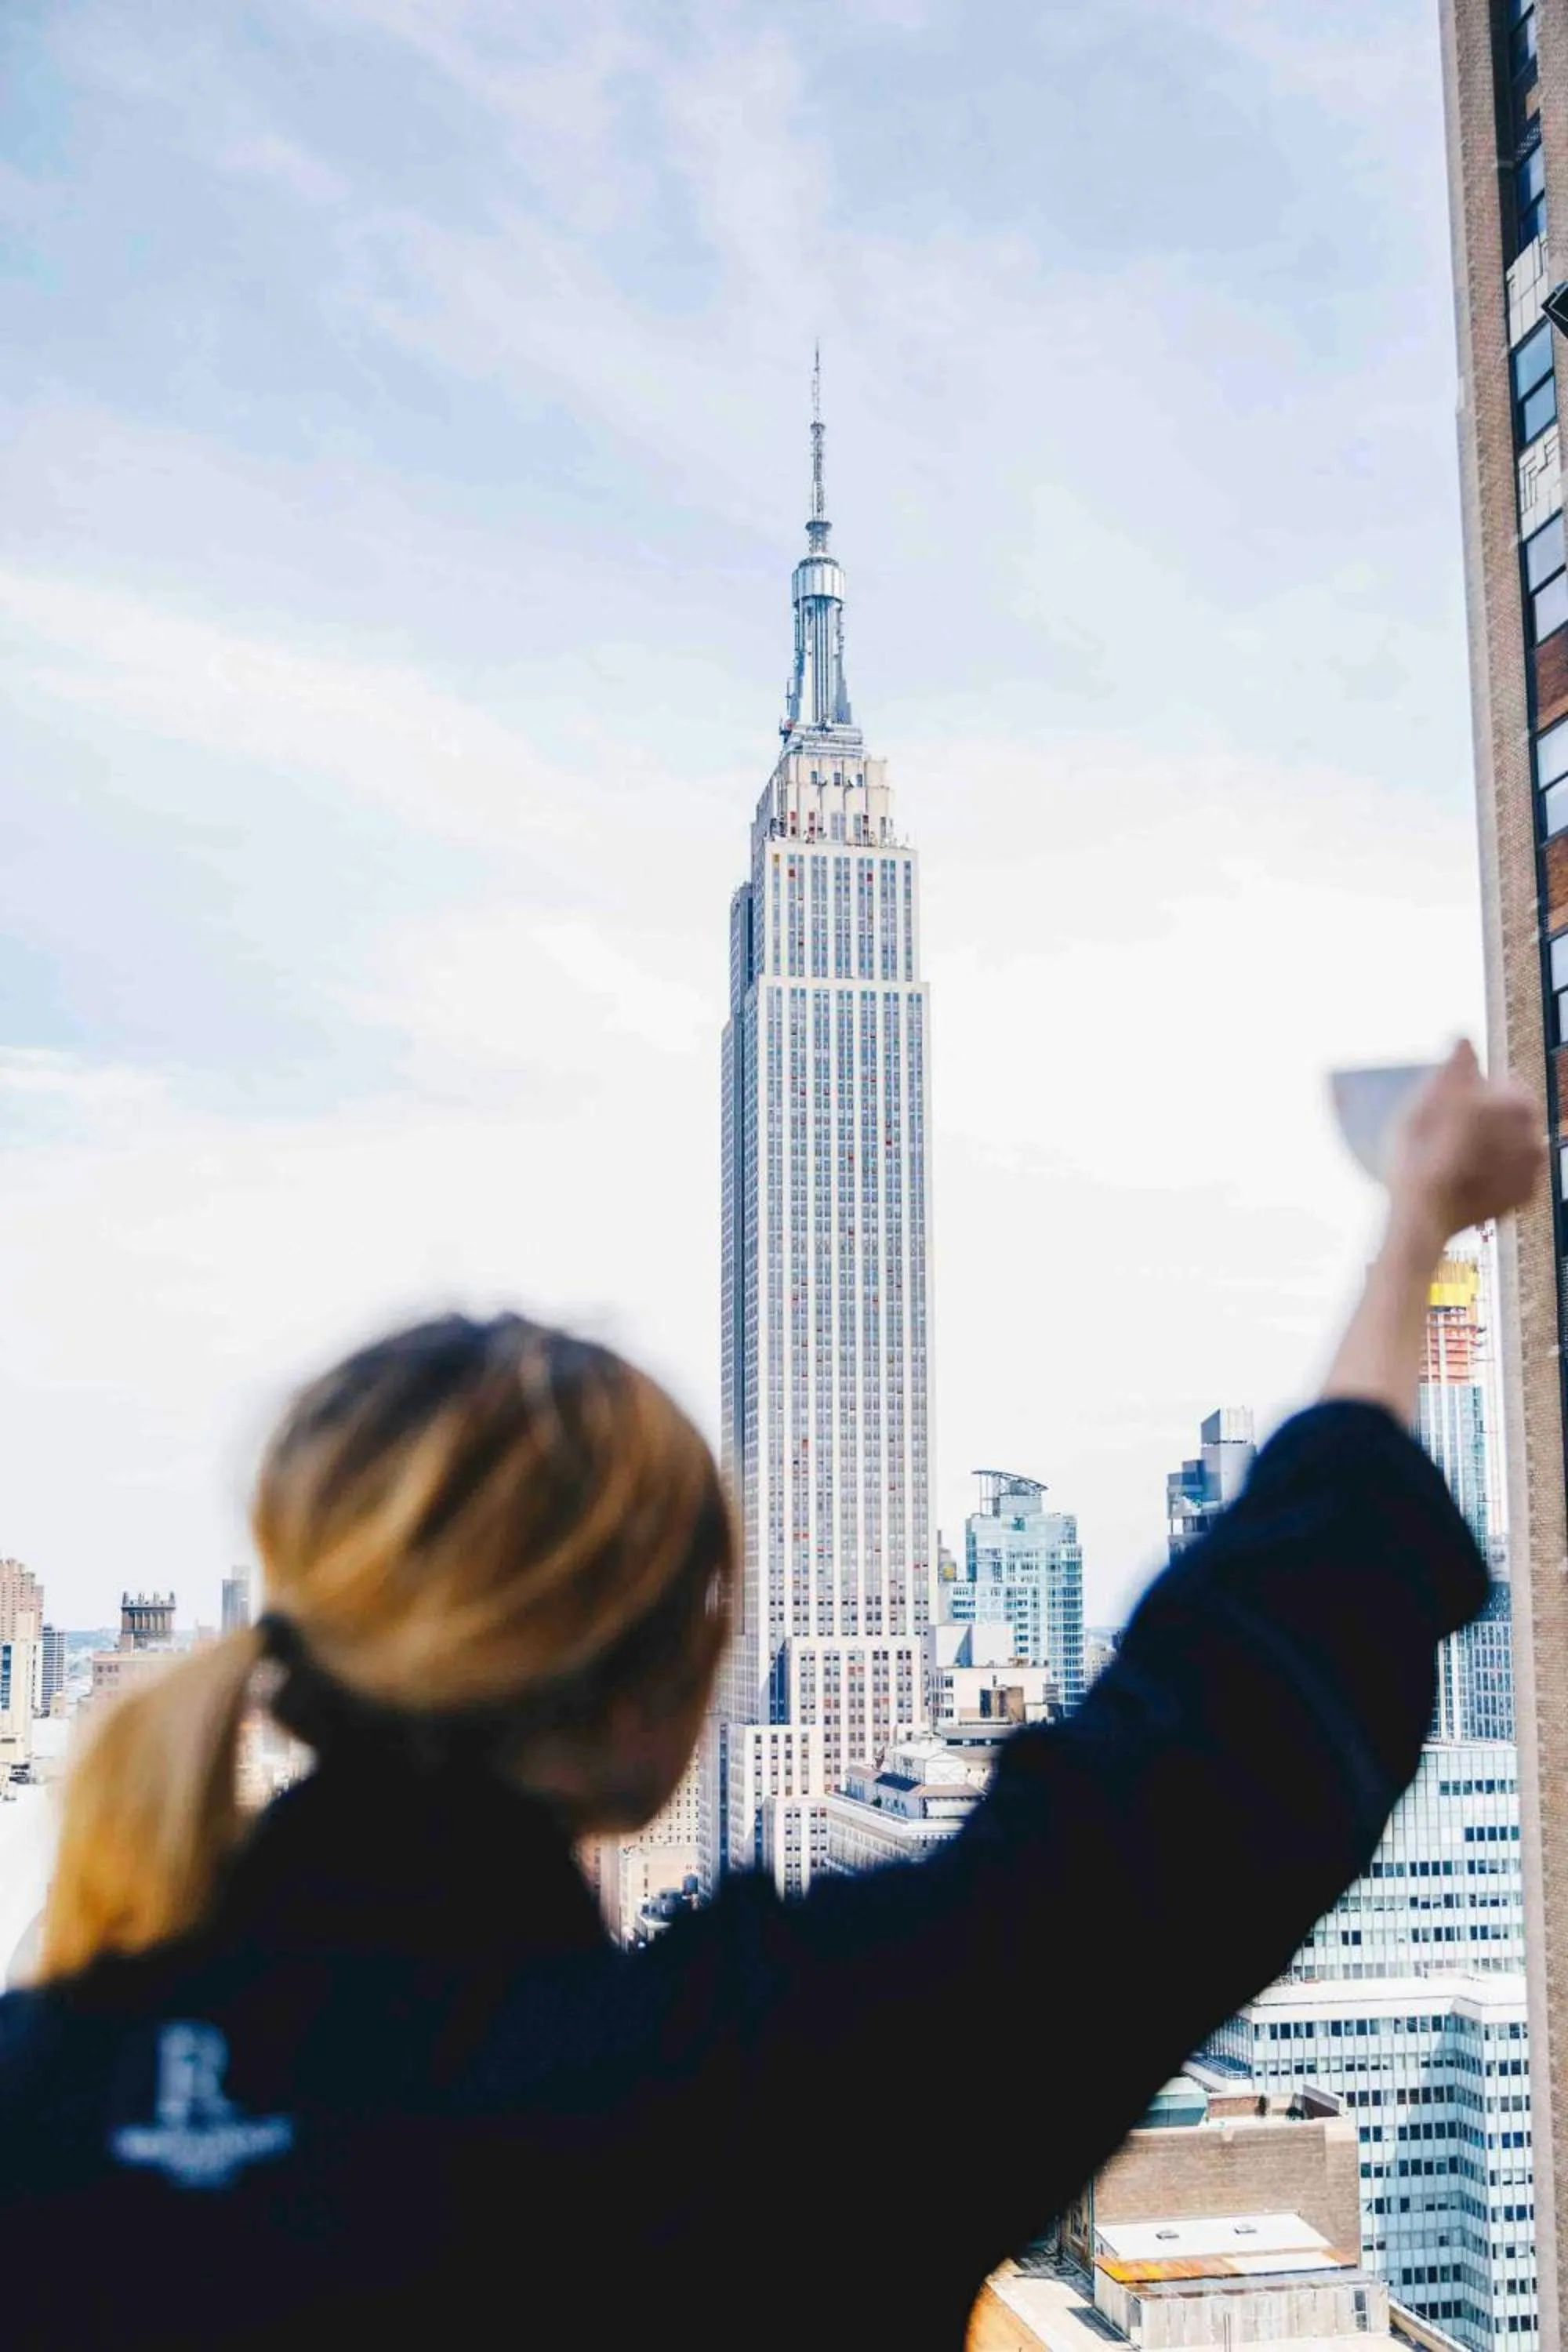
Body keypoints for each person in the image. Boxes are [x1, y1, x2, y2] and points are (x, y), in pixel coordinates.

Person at [0, 1043, 1541, 2350]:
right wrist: (1410, 1228)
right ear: (663, 1691)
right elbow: (1213, 1752)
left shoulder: (39, 2102)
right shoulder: (732, 2097)